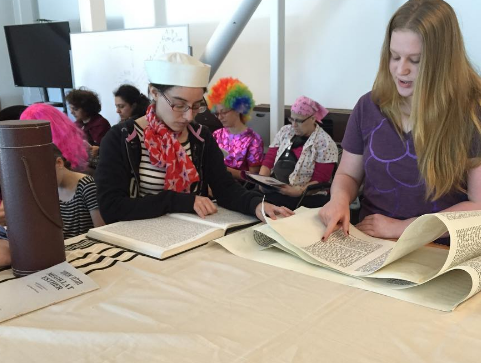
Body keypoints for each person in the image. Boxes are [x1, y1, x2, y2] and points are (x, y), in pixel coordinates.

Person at [319, 0, 481, 241]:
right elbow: (348, 175)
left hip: (441, 248)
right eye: (394, 56)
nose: (401, 70)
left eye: (416, 60)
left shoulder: (479, 114)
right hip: (371, 242)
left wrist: (403, 228)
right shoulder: (369, 106)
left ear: (443, 62)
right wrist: (339, 200)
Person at [94, 52, 293, 223]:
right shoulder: (123, 139)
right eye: (179, 105)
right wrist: (180, 201)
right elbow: (112, 207)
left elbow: (225, 188)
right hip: (139, 240)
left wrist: (256, 204)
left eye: (197, 106)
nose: (189, 116)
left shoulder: (200, 138)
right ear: (154, 93)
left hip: (189, 233)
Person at [20, 104, 105, 238]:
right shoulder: (51, 188)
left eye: (44, 175)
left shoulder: (86, 185)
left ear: (59, 162)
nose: (42, 181)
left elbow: (101, 232)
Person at [258, 96, 338, 209]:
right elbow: (269, 160)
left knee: (272, 205)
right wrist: (262, 180)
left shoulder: (325, 143)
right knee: (255, 199)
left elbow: (320, 180)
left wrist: (298, 191)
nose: (294, 125)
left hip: (306, 196)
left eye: (299, 121)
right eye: (292, 119)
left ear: (313, 118)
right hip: (276, 188)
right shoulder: (285, 131)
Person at [207, 77, 263, 180]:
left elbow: (254, 177)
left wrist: (224, 170)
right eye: (217, 113)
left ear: (238, 109)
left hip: (239, 189)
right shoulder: (216, 135)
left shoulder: (254, 140)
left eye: (224, 112)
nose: (220, 117)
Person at [66, 88, 111, 163]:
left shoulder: (101, 124)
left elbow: (103, 149)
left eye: (75, 109)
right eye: (70, 109)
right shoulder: (78, 123)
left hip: (98, 163)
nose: (71, 112)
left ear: (87, 108)